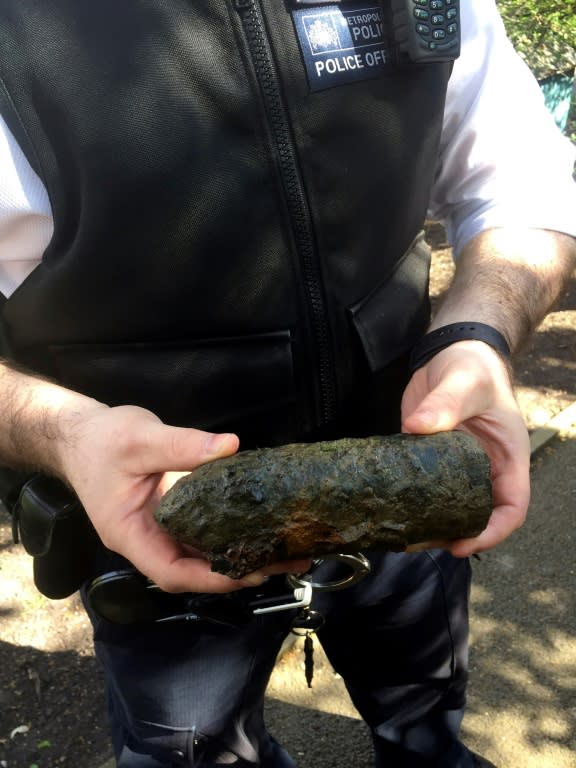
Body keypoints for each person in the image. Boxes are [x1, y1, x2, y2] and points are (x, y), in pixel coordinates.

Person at [0, 0, 575, 765]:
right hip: (151, 522)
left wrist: (477, 335)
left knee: (426, 711)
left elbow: (519, 181)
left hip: (412, 479)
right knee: (193, 751)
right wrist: (63, 433)